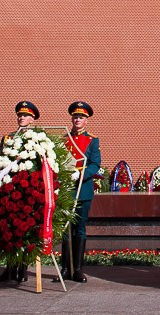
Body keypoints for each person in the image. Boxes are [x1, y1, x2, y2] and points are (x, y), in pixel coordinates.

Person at [0, 100, 40, 284]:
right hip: (8, 190)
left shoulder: (36, 139)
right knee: (8, 229)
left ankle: (23, 268)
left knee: (26, 230)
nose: (22, 118)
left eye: (26, 115)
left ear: (32, 118)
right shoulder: (8, 138)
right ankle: (10, 267)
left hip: (28, 192)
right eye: (20, 115)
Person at [56, 101, 100, 283]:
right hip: (66, 190)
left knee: (79, 229)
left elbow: (95, 164)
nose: (77, 120)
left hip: (83, 190)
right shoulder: (64, 139)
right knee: (66, 229)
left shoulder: (92, 140)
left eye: (81, 117)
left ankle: (78, 269)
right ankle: (65, 268)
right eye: (75, 117)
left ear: (86, 121)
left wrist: (80, 173)